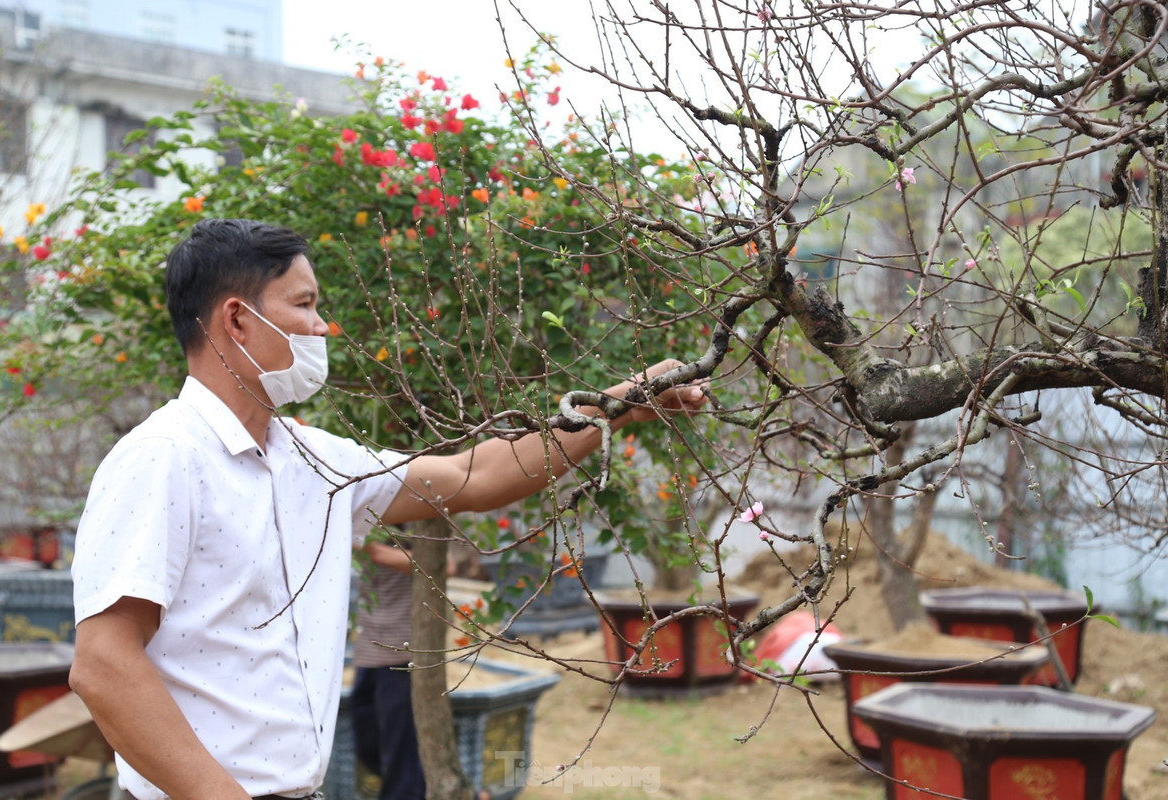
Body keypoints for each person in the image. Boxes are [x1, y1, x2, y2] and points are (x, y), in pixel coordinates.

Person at [67, 218, 705, 800]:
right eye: (305, 304)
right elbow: (104, 665)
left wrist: (617, 403)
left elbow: (472, 474)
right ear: (237, 320)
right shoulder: (162, 458)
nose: (322, 327)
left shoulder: (310, 460)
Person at [349, 538, 424, 800]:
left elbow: (440, 565)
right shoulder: (365, 522)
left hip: (402, 654)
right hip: (368, 651)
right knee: (367, 744)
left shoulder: (418, 525)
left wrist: (364, 544)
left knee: (399, 754)